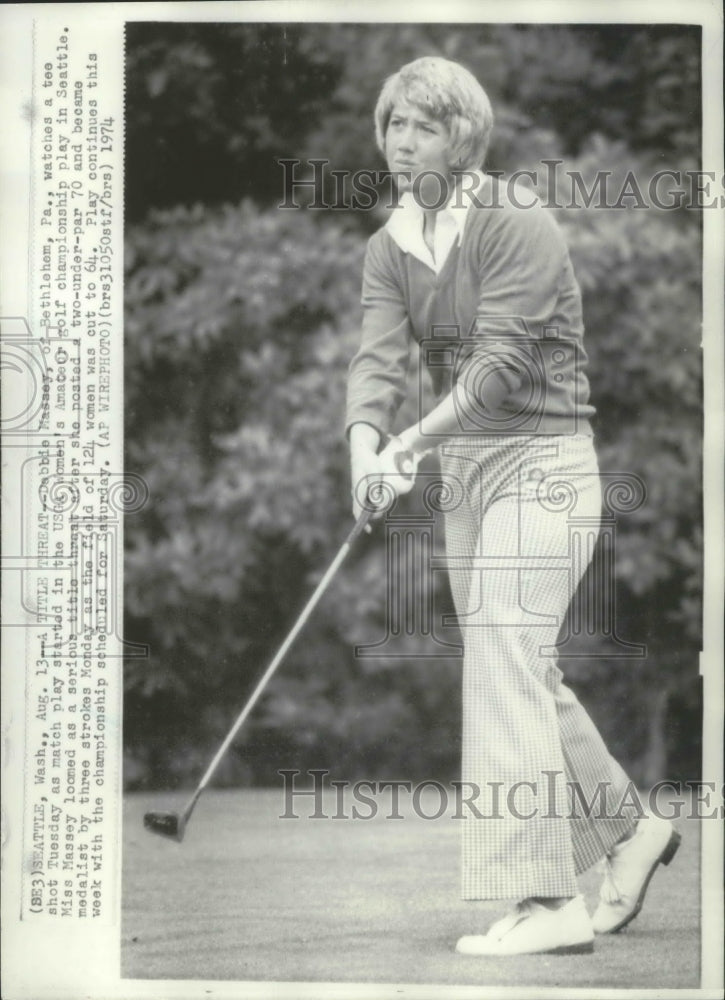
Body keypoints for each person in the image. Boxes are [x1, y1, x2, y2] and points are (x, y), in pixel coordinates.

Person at [345, 56, 680, 957]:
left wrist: (407, 444)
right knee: (522, 664)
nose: (400, 140)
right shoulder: (390, 246)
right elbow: (376, 365)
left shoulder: (514, 219)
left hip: (545, 461)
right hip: (466, 475)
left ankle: (546, 902)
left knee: (501, 651)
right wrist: (363, 451)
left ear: (462, 136)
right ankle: (630, 834)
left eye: (420, 124)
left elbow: (496, 371)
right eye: (391, 125)